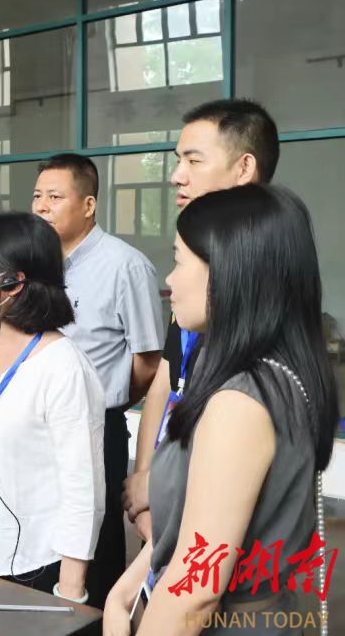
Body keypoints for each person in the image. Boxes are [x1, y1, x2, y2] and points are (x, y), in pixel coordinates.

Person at [104, 185, 338, 635]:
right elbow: (193, 527)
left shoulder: (240, 403)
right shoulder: (268, 373)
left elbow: (196, 589)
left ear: (228, 272)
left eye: (179, 261)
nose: (170, 280)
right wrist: (125, 591)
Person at [123, 99, 280, 543]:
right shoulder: (197, 262)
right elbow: (168, 377)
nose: (177, 175)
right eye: (178, 160)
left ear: (244, 167)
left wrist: (159, 486)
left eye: (194, 160)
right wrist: (145, 479)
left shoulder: (265, 270)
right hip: (170, 494)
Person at [0, 213, 105, 602]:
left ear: (13, 283)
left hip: (36, 565)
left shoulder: (63, 366)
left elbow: (83, 488)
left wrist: (70, 591)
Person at [32, 153, 164, 607]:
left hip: (95, 425)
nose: (41, 206)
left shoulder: (126, 266)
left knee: (96, 538)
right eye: (37, 196)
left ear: (88, 205)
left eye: (55, 197)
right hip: (38, 426)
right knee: (47, 529)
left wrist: (111, 400)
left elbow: (149, 360)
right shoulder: (37, 265)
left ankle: (97, 618)